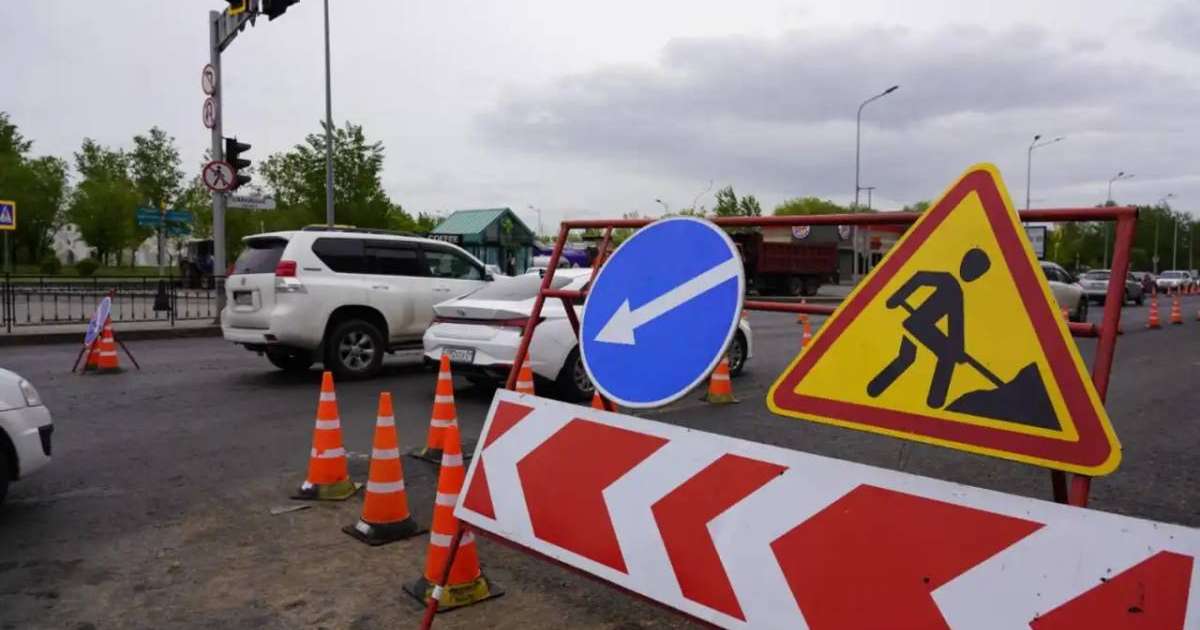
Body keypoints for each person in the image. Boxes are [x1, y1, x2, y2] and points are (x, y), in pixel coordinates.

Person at [867, 248, 991, 408]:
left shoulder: (956, 290)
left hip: (919, 326)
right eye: (976, 270)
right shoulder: (949, 282)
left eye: (978, 273)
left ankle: (877, 389)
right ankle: (935, 401)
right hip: (919, 325)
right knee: (941, 357)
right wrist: (897, 297)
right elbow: (919, 277)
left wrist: (958, 349)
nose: (974, 275)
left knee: (909, 358)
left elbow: (955, 324)